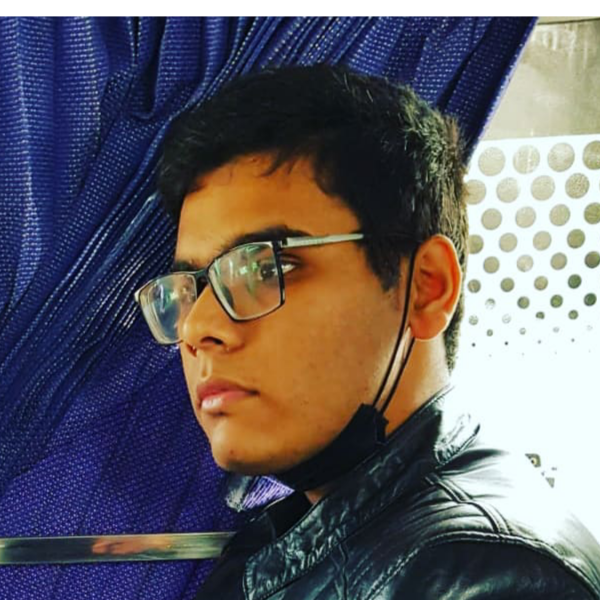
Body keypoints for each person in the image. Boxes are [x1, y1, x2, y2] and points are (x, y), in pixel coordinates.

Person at [134, 64, 600, 599]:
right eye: (189, 290)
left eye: (265, 269)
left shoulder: (487, 577)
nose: (198, 327)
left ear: (426, 287)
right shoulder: (309, 526)